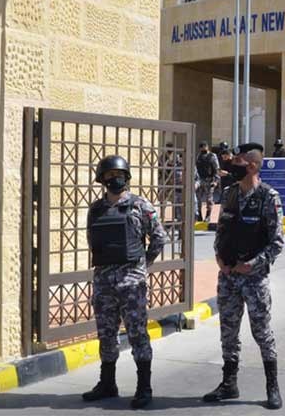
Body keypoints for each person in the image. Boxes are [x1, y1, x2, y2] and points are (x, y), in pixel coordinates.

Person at [203, 142, 285, 410]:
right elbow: (221, 231)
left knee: (262, 332)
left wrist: (252, 265)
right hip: (227, 277)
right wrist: (218, 257)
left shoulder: (268, 197)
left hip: (253, 278)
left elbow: (276, 243)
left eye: (237, 161)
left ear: (251, 166)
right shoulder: (229, 195)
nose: (231, 165)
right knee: (228, 332)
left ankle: (272, 387)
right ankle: (229, 384)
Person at [83, 155, 168, 409]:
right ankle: (107, 383)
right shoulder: (96, 209)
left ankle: (144, 387)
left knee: (137, 334)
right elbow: (92, 241)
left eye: (118, 175)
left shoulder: (140, 205)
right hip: (104, 282)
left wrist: (142, 265)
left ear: (126, 177)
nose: (114, 179)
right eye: (109, 176)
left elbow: (159, 238)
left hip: (132, 283)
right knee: (106, 335)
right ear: (102, 180)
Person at [196, 141, 220, 222]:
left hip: (209, 180)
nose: (202, 150)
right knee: (198, 199)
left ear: (207, 147)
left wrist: (215, 181)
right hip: (200, 180)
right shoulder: (199, 156)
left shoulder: (212, 156)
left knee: (209, 200)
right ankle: (199, 215)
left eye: (204, 148)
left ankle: (208, 215)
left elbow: (216, 169)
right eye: (201, 148)